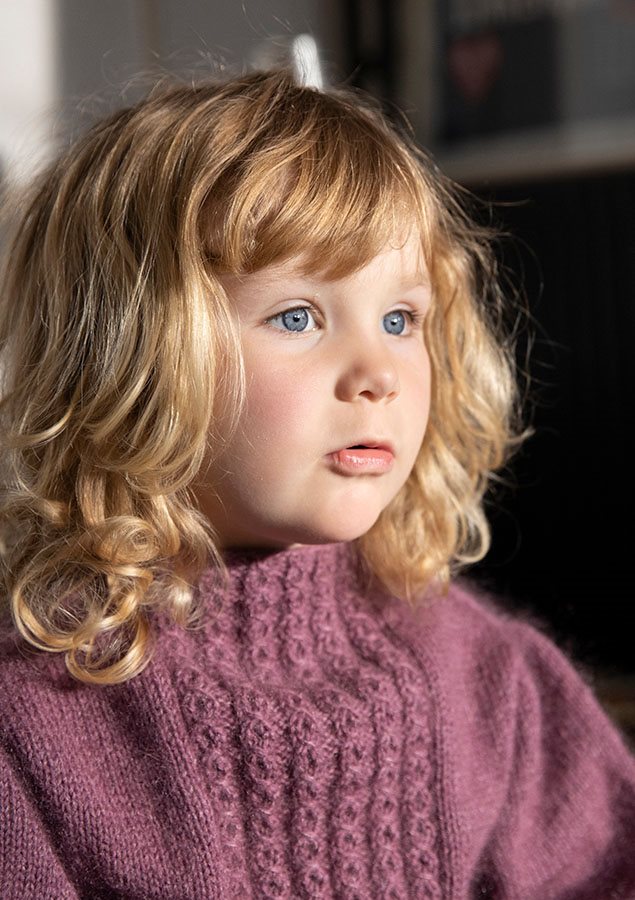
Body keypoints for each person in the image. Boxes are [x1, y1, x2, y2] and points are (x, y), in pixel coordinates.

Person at [0, 67, 633, 900]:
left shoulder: (491, 681)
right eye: (297, 316)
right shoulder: (31, 715)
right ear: (126, 357)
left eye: (400, 319)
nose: (378, 372)